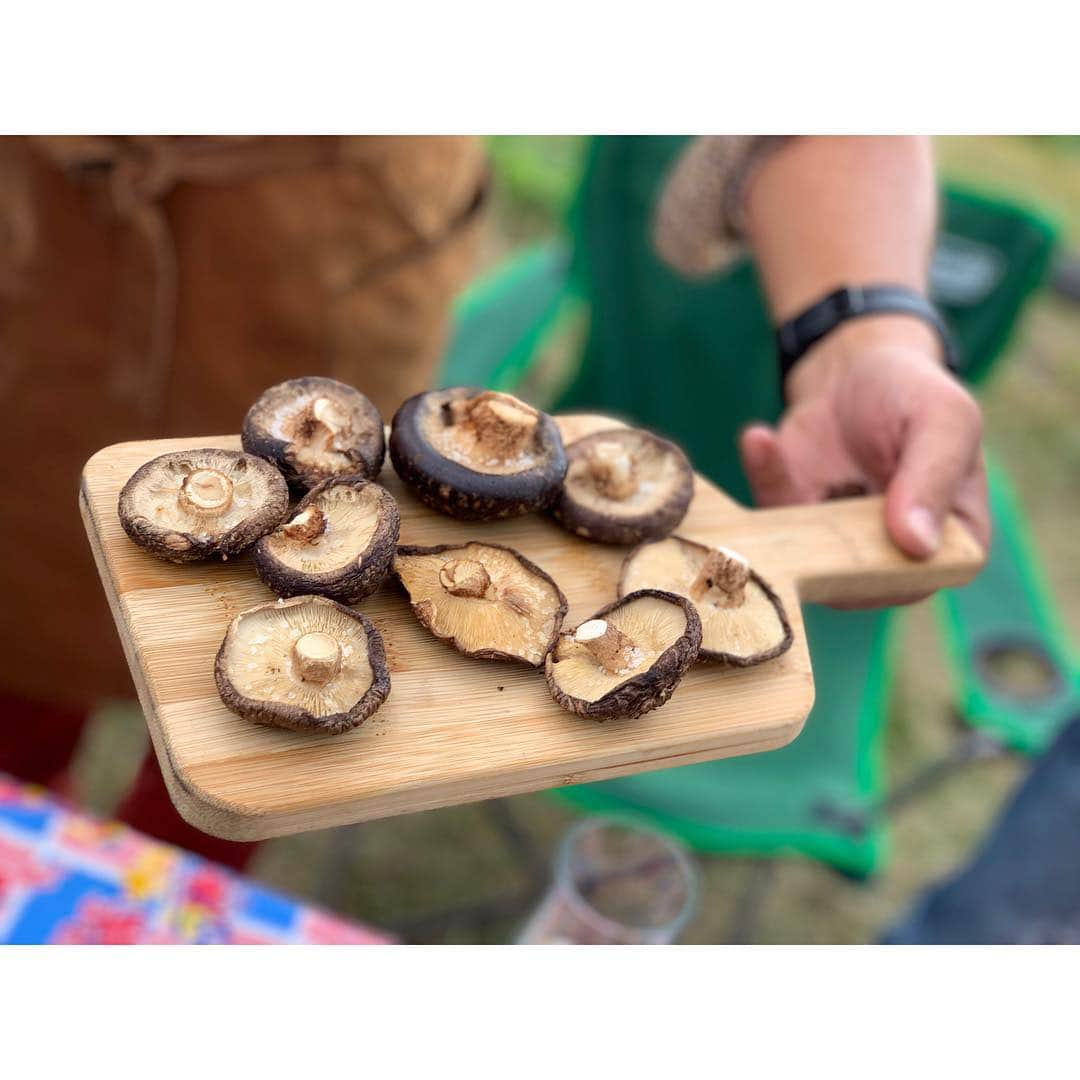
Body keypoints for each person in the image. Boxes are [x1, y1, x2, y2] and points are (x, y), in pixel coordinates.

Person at [0, 135, 988, 870]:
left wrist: (864, 335)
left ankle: (169, 895)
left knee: (251, 778)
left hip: (327, 239)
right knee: (20, 630)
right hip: (32, 225)